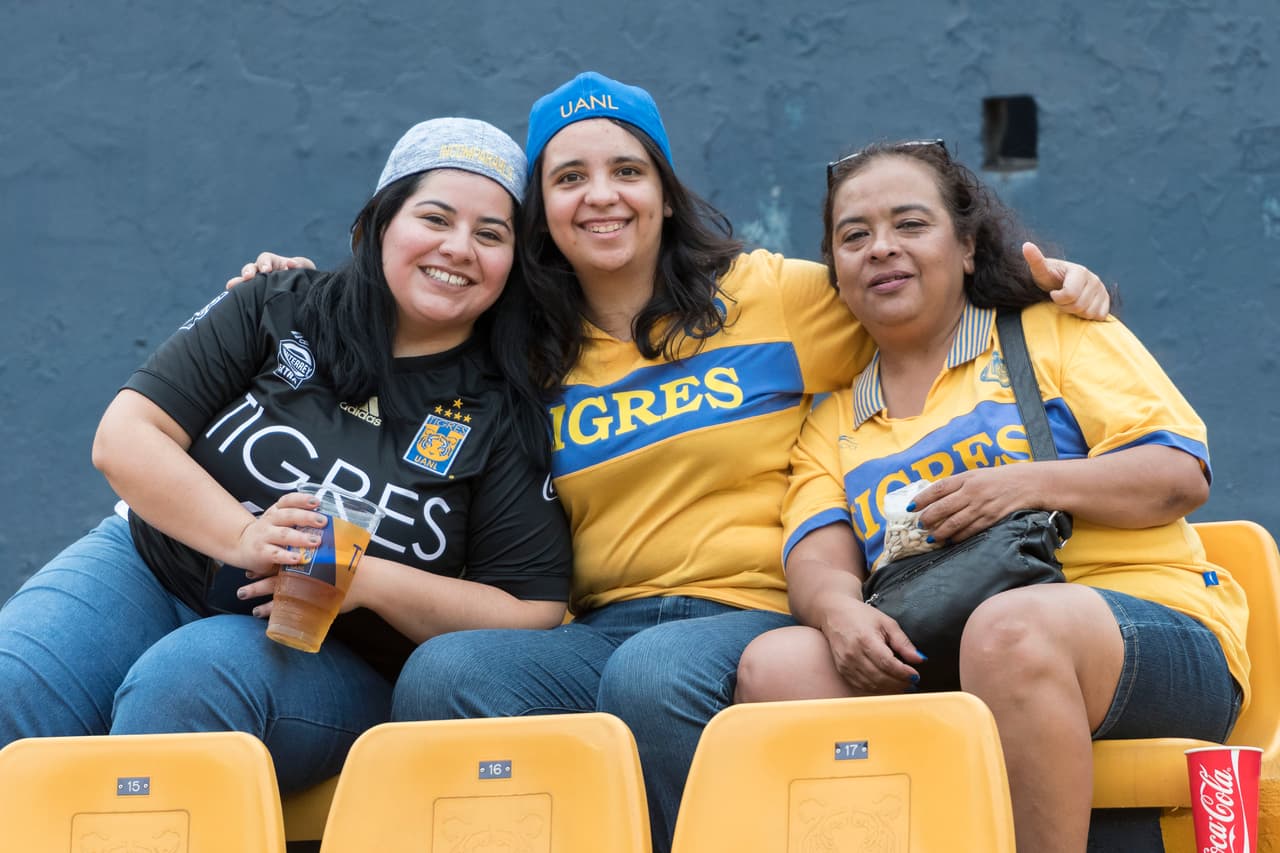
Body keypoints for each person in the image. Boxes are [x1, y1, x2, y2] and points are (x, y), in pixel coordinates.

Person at [229, 72, 1111, 850]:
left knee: (654, 677)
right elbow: (397, 323)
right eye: (569, 178)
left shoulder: (770, 293)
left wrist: (1053, 282)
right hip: (600, 626)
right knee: (449, 675)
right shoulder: (523, 342)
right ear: (543, 210)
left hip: (758, 613)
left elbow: (911, 287)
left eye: (627, 171)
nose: (601, 195)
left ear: (663, 191)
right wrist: (289, 295)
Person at [0, 118, 573, 794]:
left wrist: (365, 581)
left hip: (325, 649)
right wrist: (244, 535)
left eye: (490, 233)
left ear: (514, 263)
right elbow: (125, 436)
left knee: (188, 683)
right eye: (435, 217)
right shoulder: (278, 302)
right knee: (12, 684)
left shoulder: (505, 407)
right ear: (381, 221)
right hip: (149, 569)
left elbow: (527, 606)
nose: (458, 247)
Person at [733, 139, 1249, 852]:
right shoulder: (833, 419)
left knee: (1010, 631)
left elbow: (1177, 474)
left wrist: (1021, 484)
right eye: (855, 236)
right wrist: (840, 611)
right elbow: (816, 555)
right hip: (943, 645)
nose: (881, 248)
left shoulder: (1053, 331)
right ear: (837, 273)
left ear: (968, 247)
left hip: (1145, 630)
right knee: (776, 666)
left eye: (910, 224)